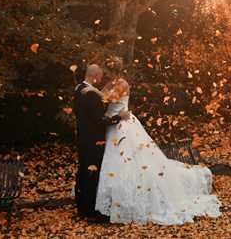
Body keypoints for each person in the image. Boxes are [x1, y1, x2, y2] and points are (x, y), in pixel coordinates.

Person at [84, 78, 221, 225]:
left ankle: (128, 202)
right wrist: (97, 92)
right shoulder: (111, 83)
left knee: (130, 161)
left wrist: (94, 91)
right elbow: (106, 99)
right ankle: (113, 201)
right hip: (112, 125)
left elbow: (111, 98)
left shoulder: (123, 83)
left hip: (122, 126)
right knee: (113, 162)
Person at [73, 64, 129, 222]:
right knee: (92, 173)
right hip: (93, 139)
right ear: (95, 75)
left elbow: (103, 102)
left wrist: (96, 91)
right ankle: (90, 210)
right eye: (101, 75)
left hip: (83, 138)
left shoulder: (79, 88)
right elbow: (100, 120)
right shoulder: (89, 93)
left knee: (83, 170)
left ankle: (82, 207)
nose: (102, 79)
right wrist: (120, 117)